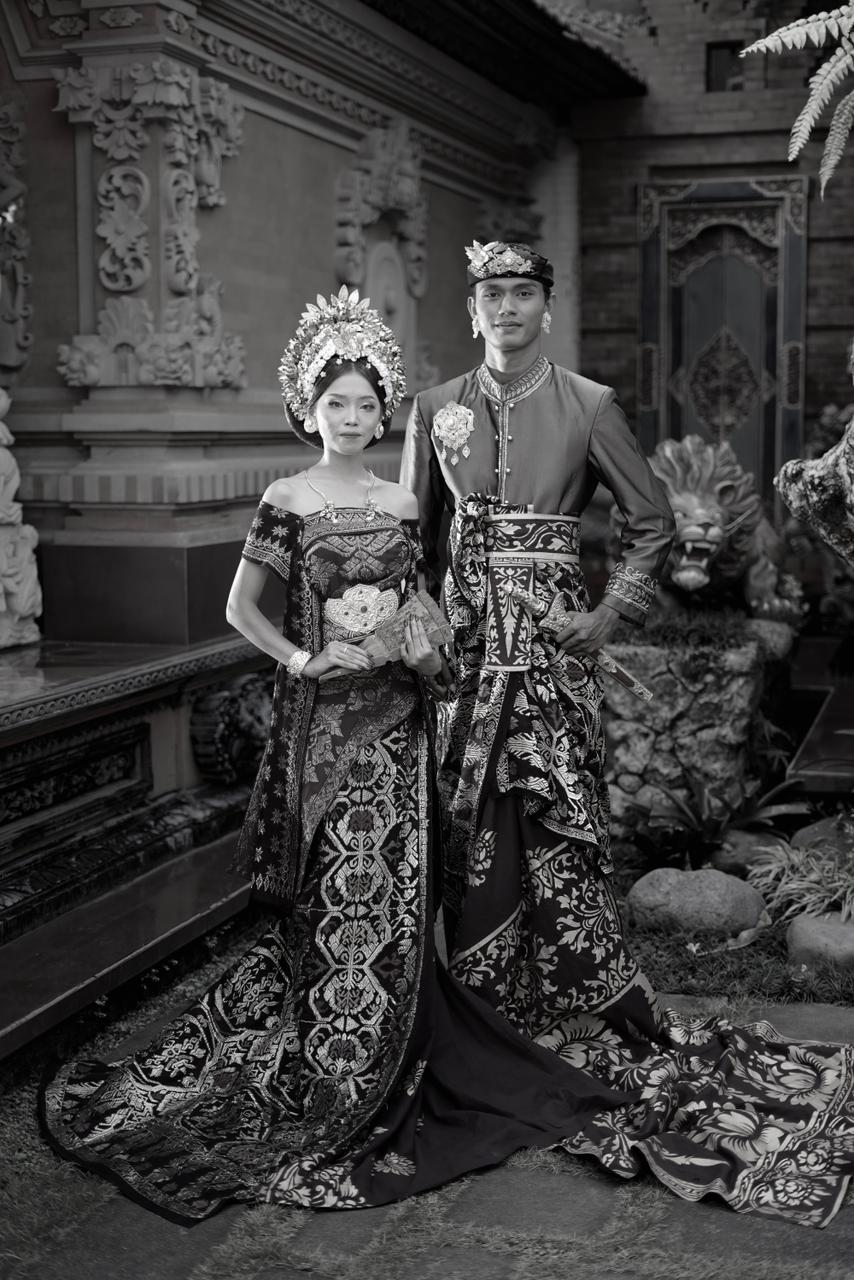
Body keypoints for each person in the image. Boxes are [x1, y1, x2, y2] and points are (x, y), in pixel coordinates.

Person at [38, 288, 640, 1222]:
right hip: (325, 723)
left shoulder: (401, 501)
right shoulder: (288, 499)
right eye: (335, 403)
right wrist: (302, 658)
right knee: (332, 883)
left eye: (365, 404)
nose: (352, 418)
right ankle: (332, 1050)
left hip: (400, 717)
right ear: (308, 409)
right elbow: (242, 608)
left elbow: (419, 598)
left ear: (382, 411)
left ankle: (398, 1038)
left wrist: (425, 647)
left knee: (401, 884)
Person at [400, 242, 854, 1226]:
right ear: (472, 309)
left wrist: (607, 614)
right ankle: (479, 1006)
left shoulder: (588, 403)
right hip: (464, 661)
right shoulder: (432, 405)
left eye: (523, 293)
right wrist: (421, 626)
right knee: (465, 824)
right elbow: (412, 536)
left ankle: (562, 994)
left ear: (544, 307)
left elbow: (648, 521)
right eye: (491, 294)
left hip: (553, 655)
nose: (506, 307)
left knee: (553, 821)